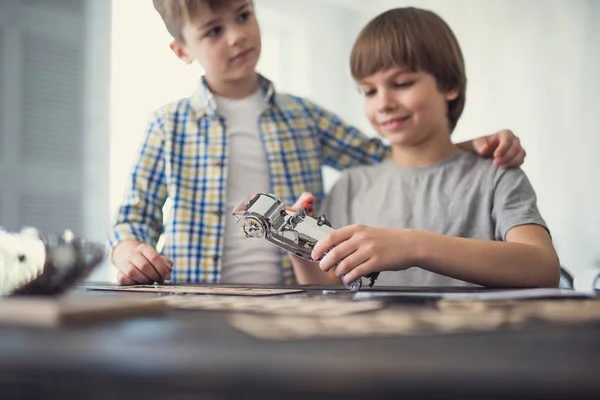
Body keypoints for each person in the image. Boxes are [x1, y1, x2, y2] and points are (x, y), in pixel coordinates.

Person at [109, 0, 530, 286]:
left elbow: (390, 152)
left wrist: (471, 147)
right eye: (214, 30)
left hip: (291, 302)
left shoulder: (303, 116)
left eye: (243, 15)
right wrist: (128, 251)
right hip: (194, 297)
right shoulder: (167, 124)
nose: (236, 36)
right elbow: (134, 217)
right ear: (182, 51)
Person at [290, 7, 559, 288]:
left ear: (450, 85)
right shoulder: (350, 186)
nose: (383, 104)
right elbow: (329, 286)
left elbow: (543, 267)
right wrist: (297, 245)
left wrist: (414, 245)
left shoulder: (496, 175)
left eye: (402, 83)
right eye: (369, 91)